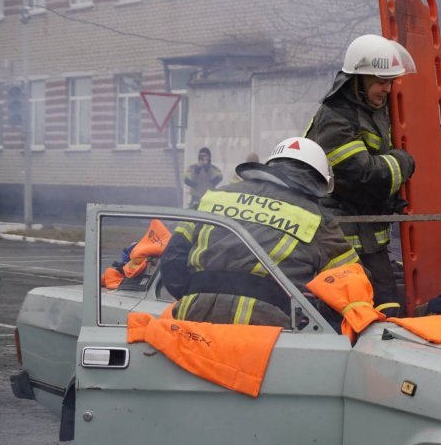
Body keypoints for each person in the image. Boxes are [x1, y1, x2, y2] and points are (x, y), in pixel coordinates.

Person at [161, 137, 361, 327]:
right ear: (318, 181)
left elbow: (172, 259)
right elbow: (351, 286)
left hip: (192, 321)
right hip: (267, 333)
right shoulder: (318, 219)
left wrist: (198, 296)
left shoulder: (215, 196)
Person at [304, 34, 417, 317]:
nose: (387, 89)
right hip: (338, 242)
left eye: (390, 81)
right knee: (347, 315)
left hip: (371, 241)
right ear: (358, 79)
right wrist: (403, 161)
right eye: (381, 81)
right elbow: (361, 176)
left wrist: (434, 135)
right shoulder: (336, 117)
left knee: (388, 309)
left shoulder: (375, 109)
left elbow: (398, 138)